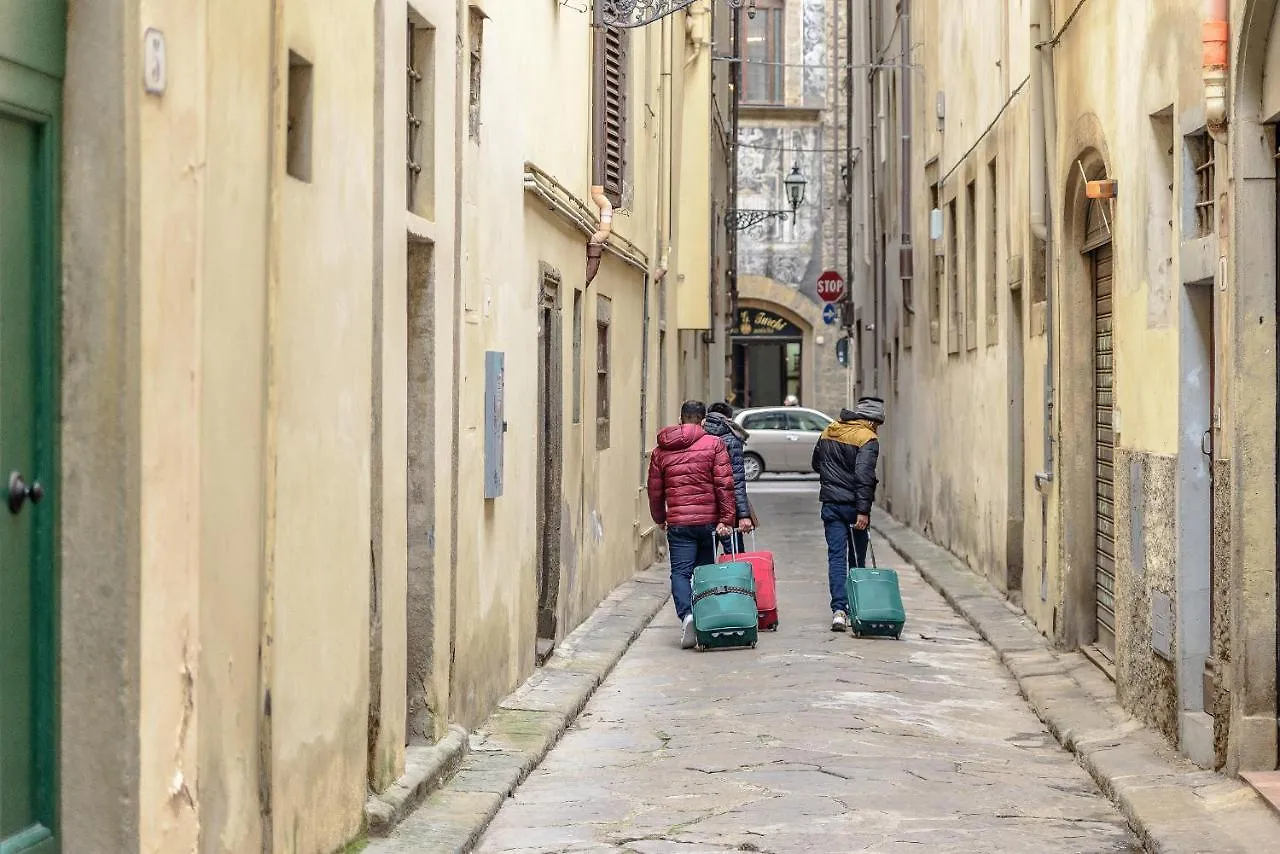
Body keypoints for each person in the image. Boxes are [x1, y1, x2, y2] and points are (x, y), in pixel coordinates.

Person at [648, 400, 736, 648]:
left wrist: (660, 518)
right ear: (703, 420)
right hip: (707, 522)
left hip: (678, 522)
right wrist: (726, 519)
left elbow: (655, 491)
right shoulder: (714, 444)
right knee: (704, 573)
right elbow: (724, 485)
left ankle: (686, 616)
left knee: (680, 572)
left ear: (680, 418)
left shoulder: (661, 451)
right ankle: (704, 619)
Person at [811, 396, 884, 632]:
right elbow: (865, 477)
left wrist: (834, 476)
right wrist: (863, 511)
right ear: (872, 421)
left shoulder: (829, 431)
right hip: (854, 507)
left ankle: (838, 611)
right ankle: (856, 607)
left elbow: (816, 463)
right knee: (856, 559)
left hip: (831, 504)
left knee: (836, 557)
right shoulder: (867, 438)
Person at [702, 401, 754, 553]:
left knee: (706, 559)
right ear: (729, 418)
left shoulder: (698, 434)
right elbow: (737, 480)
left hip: (704, 507)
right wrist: (744, 514)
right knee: (734, 555)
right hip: (728, 507)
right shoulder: (732, 437)